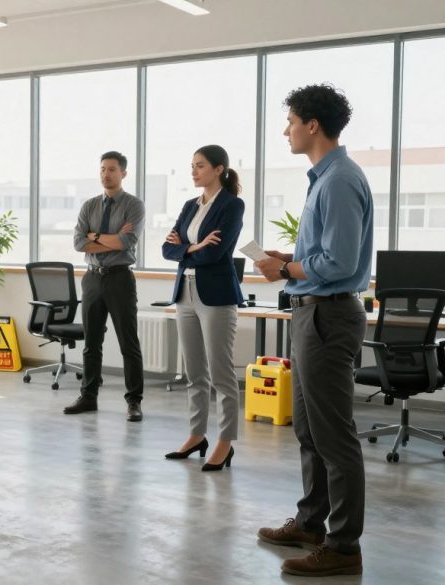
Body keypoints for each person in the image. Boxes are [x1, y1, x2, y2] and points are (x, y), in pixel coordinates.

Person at [255, 84, 372, 577]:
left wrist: (284, 271)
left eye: (291, 121)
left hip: (328, 314)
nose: (286, 130)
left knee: (333, 435)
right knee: (308, 428)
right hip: (311, 312)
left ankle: (343, 547)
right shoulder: (324, 178)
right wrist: (291, 260)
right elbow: (322, 255)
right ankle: (311, 521)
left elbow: (339, 261)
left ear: (313, 125)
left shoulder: (340, 179)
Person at [161, 145, 245, 471]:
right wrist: (194, 245)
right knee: (194, 372)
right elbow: (166, 250)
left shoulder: (232, 205)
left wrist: (185, 248)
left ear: (218, 169)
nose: (194, 171)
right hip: (185, 292)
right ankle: (197, 434)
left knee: (221, 375)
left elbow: (216, 253)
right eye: (192, 165)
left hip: (217, 295)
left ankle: (225, 441)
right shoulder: (188, 206)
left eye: (200, 166)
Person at [66, 151, 146, 422]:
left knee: (128, 342)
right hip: (92, 279)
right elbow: (78, 243)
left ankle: (134, 401)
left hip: (120, 278)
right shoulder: (89, 206)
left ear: (123, 173)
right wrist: (109, 238)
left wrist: (95, 236)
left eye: (112, 169)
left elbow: (127, 242)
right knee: (92, 342)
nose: (106, 174)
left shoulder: (134, 205)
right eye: (102, 169)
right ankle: (88, 396)